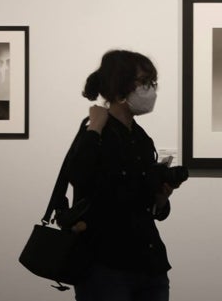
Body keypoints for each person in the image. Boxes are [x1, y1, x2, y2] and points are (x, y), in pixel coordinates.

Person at [67, 50, 175, 301]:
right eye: (144, 82)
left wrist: (161, 199)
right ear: (120, 88)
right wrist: (95, 126)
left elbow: (146, 205)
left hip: (150, 263)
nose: (151, 90)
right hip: (105, 265)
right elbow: (78, 176)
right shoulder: (94, 134)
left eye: (153, 83)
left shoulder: (141, 138)